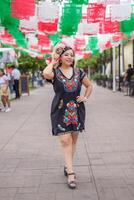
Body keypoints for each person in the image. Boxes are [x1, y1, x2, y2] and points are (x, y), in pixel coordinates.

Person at [43, 44, 92, 189]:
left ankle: (67, 165)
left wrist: (85, 97)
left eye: (72, 55)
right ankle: (71, 172)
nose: (70, 57)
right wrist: (53, 60)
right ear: (60, 57)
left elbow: (89, 86)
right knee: (65, 141)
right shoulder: (55, 72)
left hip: (76, 110)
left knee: (73, 140)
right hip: (60, 109)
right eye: (66, 54)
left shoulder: (79, 72)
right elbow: (46, 73)